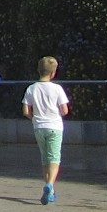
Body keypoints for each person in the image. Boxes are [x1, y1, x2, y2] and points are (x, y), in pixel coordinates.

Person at [21, 57, 69, 202]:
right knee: (54, 158)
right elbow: (65, 110)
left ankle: (50, 192)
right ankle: (50, 185)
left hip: (39, 127)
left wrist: (34, 118)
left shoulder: (31, 88)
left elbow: (25, 111)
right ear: (53, 72)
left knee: (44, 158)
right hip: (54, 126)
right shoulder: (57, 89)